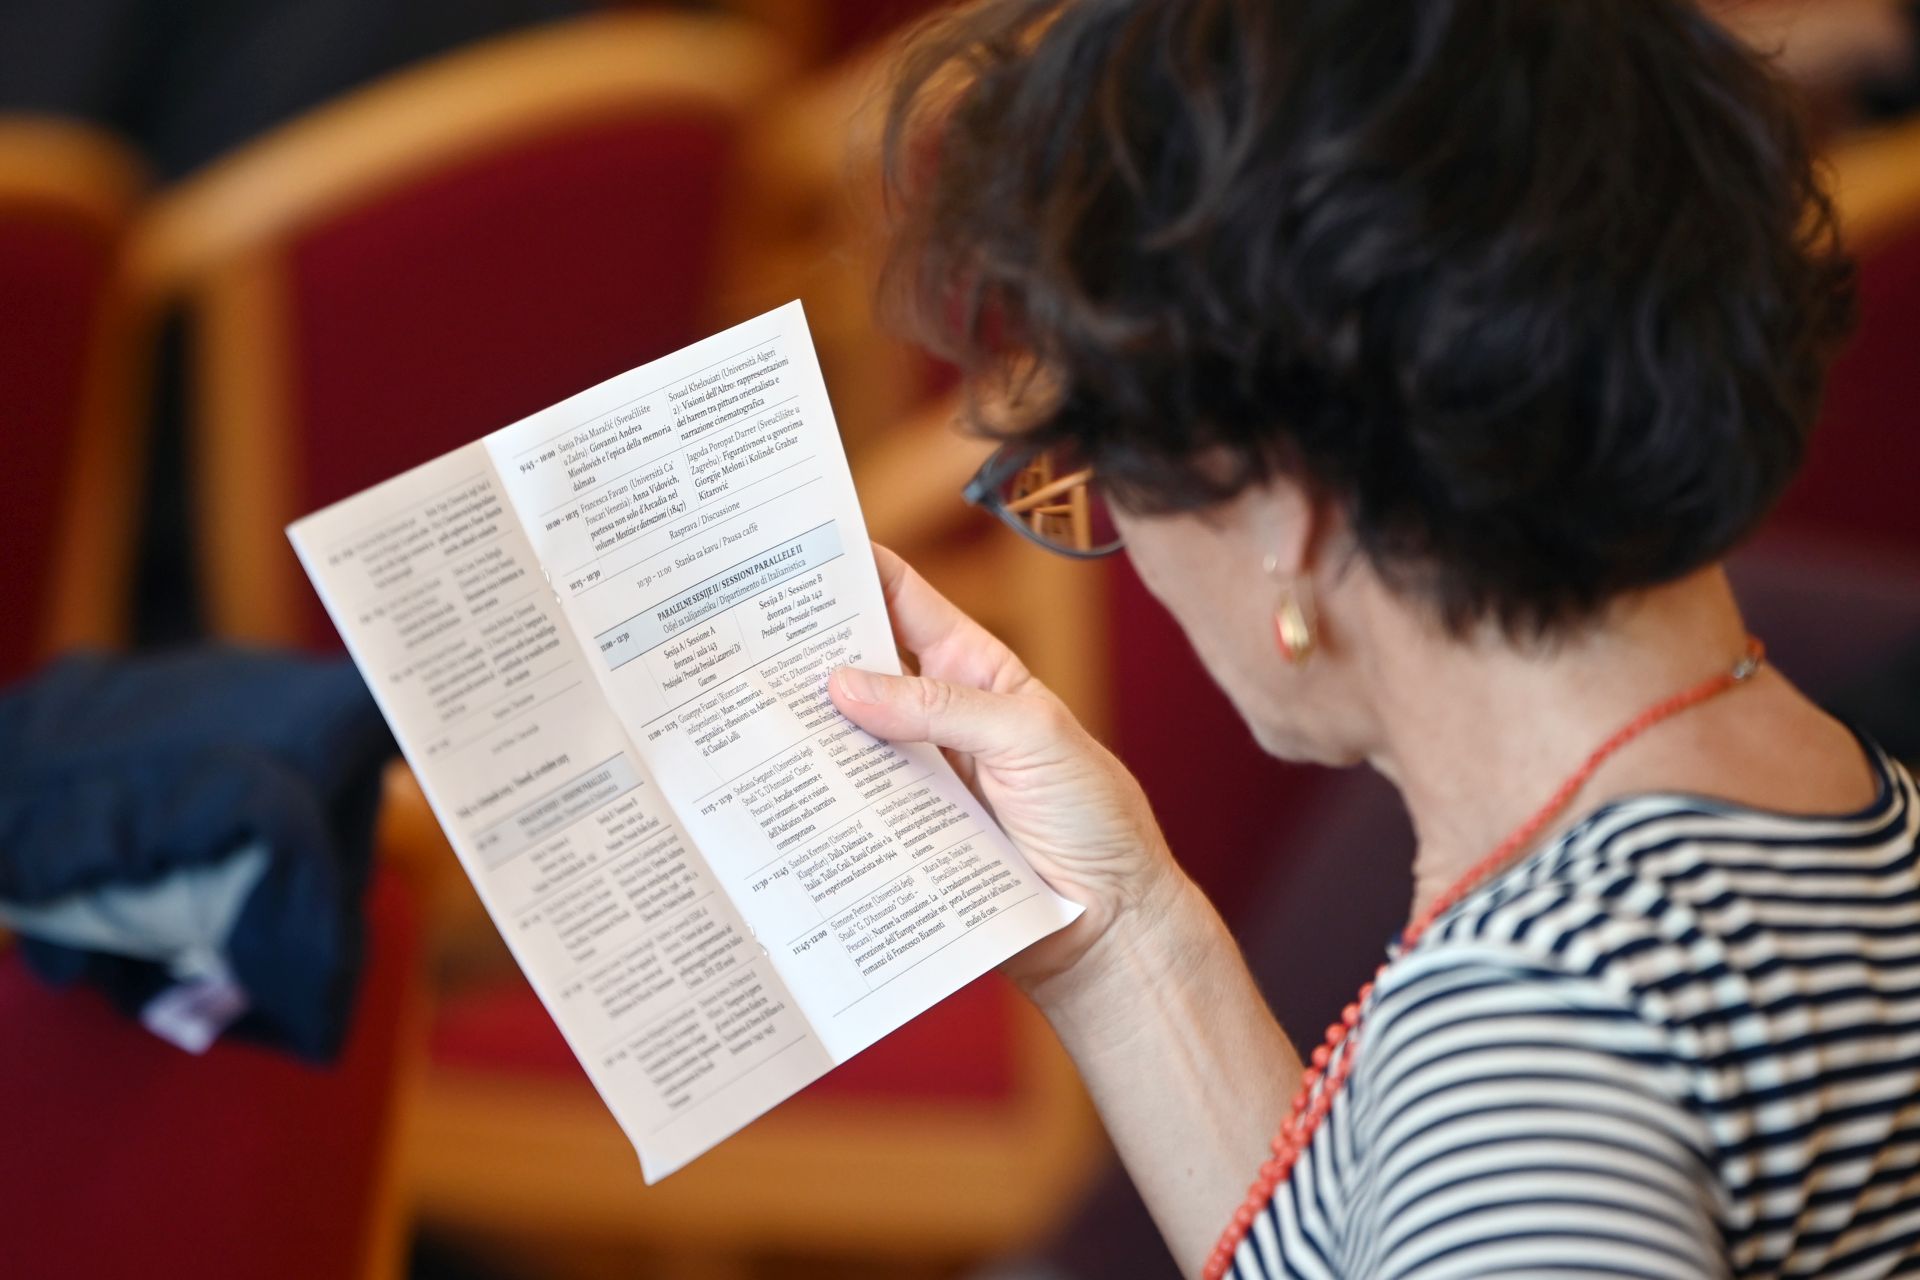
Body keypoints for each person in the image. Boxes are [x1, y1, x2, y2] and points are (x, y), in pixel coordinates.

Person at [826, 2, 1920, 1276]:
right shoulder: (1827, 796)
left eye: (1103, 462)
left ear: (1285, 500)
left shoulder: (1532, 1038)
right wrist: (1119, 932)